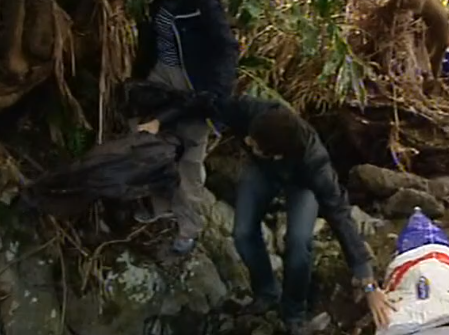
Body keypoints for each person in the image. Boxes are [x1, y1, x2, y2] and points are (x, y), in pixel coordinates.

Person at [138, 94, 395, 334]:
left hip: (300, 184)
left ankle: (294, 311)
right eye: (250, 137)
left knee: (298, 241)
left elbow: (340, 215)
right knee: (242, 232)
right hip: (261, 171)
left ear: (276, 152)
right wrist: (159, 121)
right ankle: (266, 293)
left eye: (254, 143)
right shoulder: (249, 111)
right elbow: (202, 100)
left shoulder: (315, 164)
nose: (247, 142)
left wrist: (367, 281)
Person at [131, 0, 240, 255]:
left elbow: (226, 45)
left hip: (197, 79)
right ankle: (158, 205)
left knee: (191, 158)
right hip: (161, 72)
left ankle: (189, 225)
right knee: (148, 141)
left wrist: (217, 91)